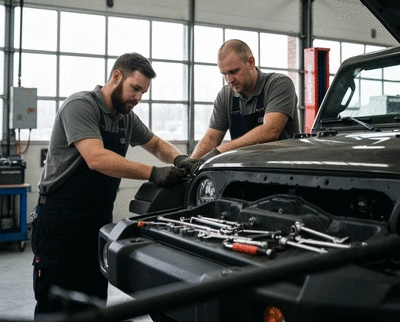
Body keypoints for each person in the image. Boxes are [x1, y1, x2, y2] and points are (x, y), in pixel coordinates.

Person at [31, 52, 186, 318]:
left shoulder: (125, 117)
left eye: (143, 93)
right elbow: (96, 157)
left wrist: (183, 159)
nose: (138, 98)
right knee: (55, 305)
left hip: (98, 221)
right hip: (60, 221)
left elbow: (157, 144)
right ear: (116, 77)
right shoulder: (81, 105)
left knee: (93, 304)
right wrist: (154, 173)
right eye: (135, 88)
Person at [175, 39, 300, 170]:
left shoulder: (279, 84)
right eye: (224, 74)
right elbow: (212, 138)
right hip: (246, 172)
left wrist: (218, 152)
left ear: (251, 62)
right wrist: (191, 163)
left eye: (234, 71)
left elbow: (270, 130)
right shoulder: (225, 95)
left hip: (284, 172)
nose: (229, 80)